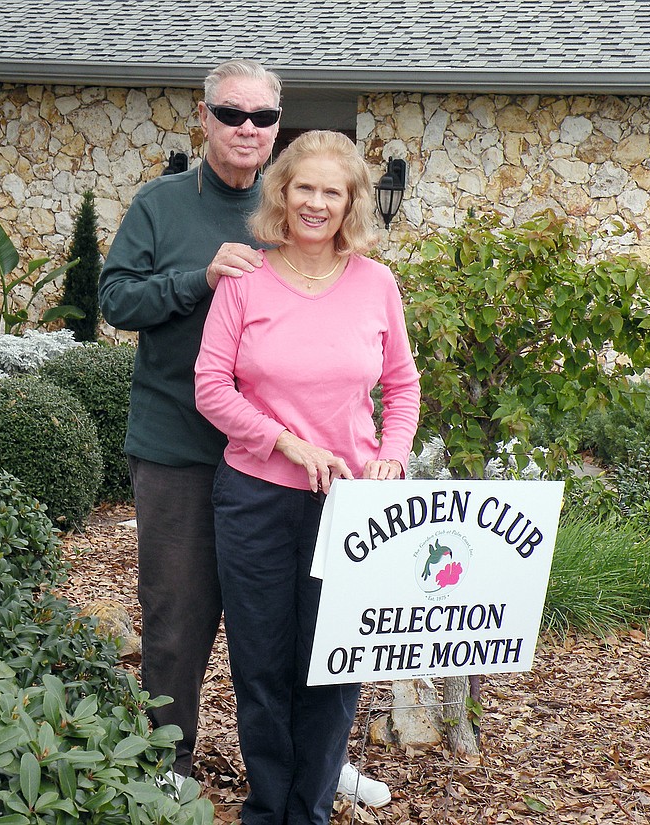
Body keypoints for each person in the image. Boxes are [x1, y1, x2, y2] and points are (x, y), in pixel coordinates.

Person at [99, 60, 390, 804]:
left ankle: (315, 766)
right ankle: (170, 762)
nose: (247, 130)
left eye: (262, 118)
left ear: (277, 129)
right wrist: (196, 277)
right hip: (181, 446)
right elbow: (115, 300)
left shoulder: (293, 202)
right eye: (232, 114)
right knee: (179, 620)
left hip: (293, 465)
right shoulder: (164, 204)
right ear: (205, 119)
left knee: (310, 623)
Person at [194, 130, 420, 824]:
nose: (316, 203)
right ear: (281, 194)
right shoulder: (246, 279)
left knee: (333, 667)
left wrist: (392, 452)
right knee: (262, 669)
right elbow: (210, 386)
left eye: (332, 191)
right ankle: (267, 809)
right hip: (255, 498)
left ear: (351, 201)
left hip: (348, 507)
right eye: (304, 188)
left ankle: (310, 809)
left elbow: (402, 387)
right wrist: (284, 440)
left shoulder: (375, 283)